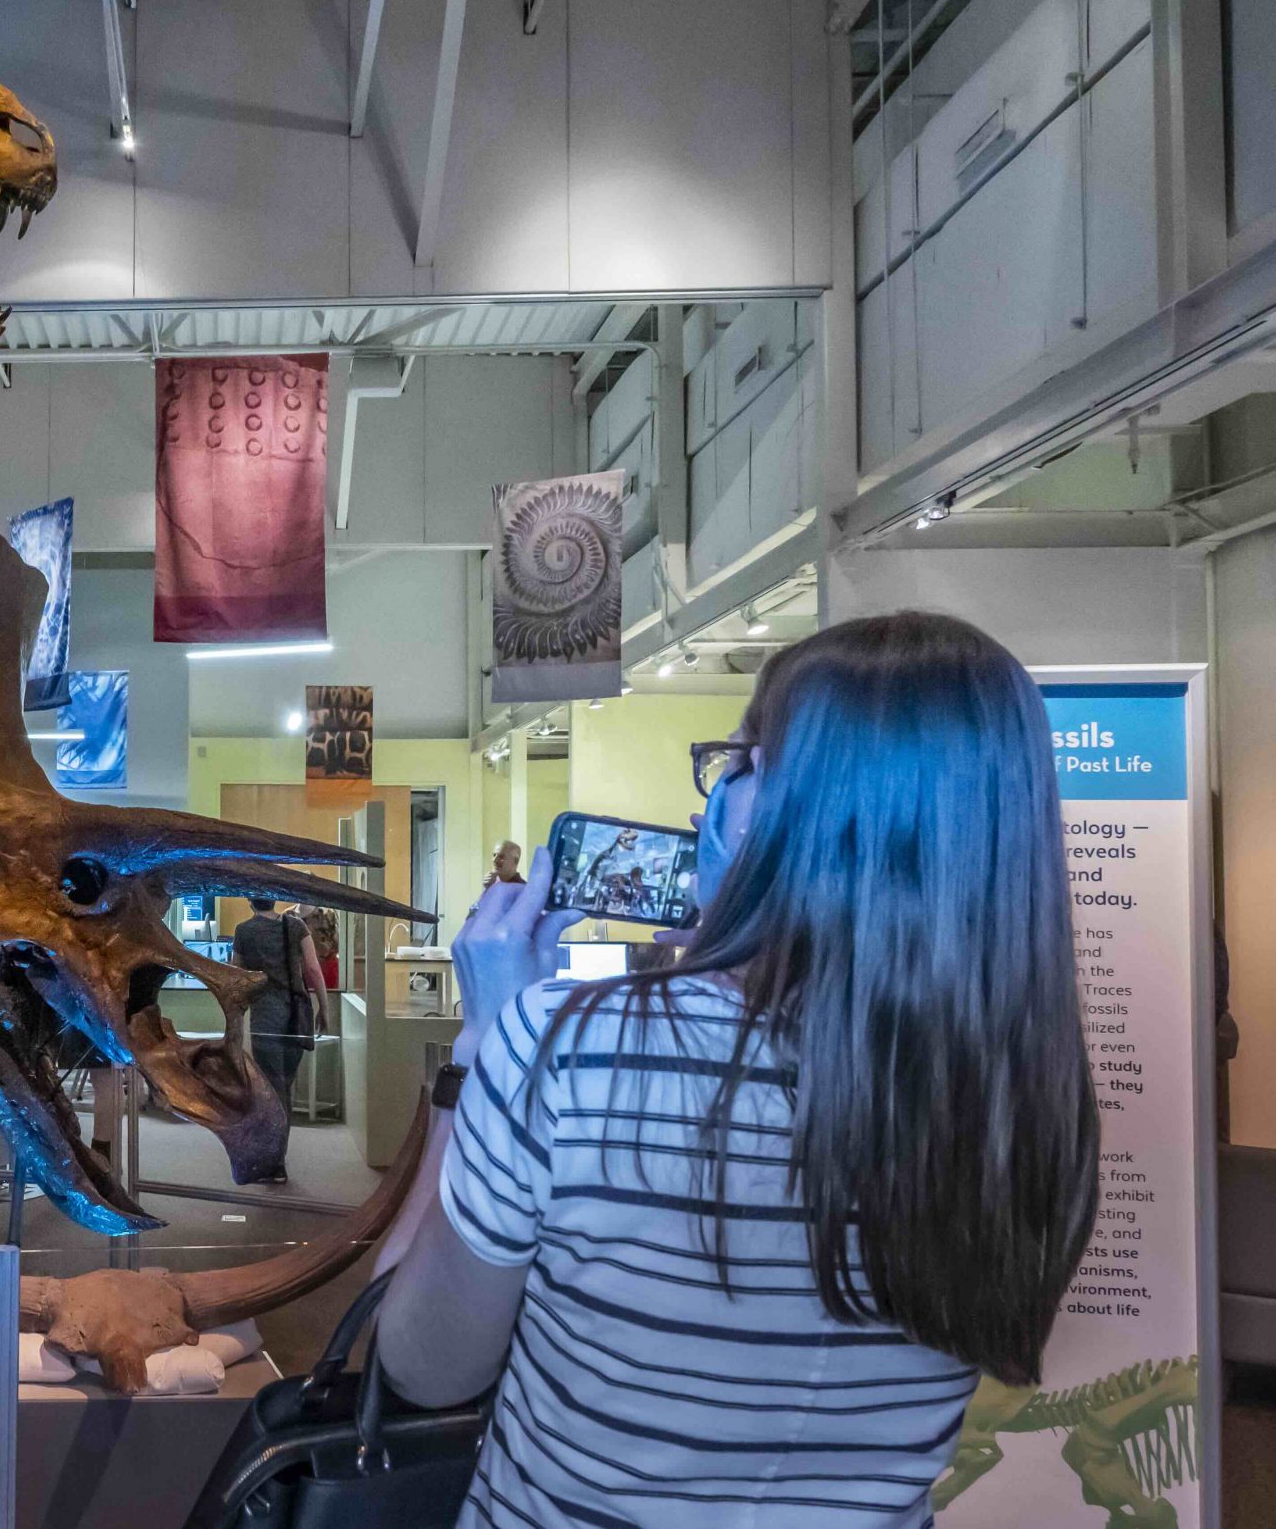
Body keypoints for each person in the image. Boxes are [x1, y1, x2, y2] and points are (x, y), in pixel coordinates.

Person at [371, 612, 1098, 1528]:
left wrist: (484, 1051)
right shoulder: (1025, 1095)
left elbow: (421, 1362)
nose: (702, 803)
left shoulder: (567, 1046)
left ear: (808, 816)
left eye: (741, 761)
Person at [231, 897, 321, 1184]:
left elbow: (238, 976)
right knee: (285, 1088)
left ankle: (274, 1162)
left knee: (272, 1090)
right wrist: (324, 1007)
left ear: (249, 901)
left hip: (266, 1017)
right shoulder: (295, 926)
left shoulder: (243, 931)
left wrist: (233, 1018)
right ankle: (276, 1159)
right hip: (297, 1013)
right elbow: (313, 968)